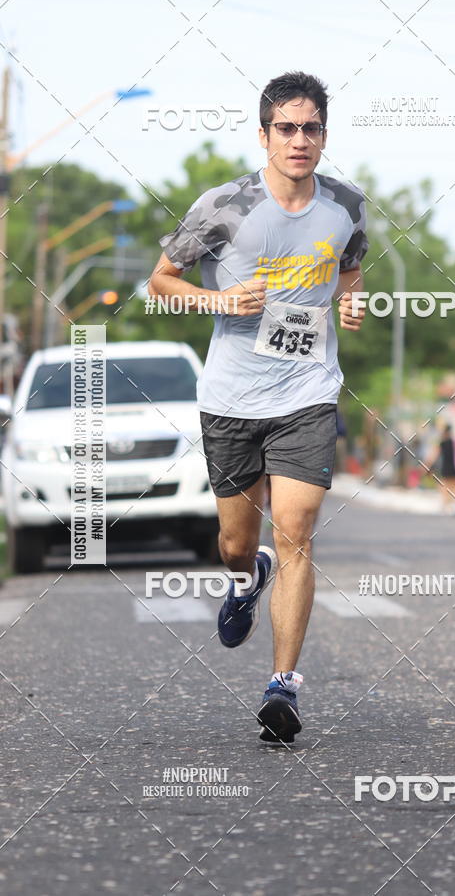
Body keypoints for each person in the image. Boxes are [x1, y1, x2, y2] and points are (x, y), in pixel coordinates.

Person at [149, 71, 368, 745]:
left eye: (311, 129)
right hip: (232, 397)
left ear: (324, 136)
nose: (299, 141)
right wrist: (218, 302)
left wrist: (352, 299)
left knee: (297, 529)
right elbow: (161, 282)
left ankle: (283, 687)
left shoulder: (346, 205)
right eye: (286, 128)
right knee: (238, 542)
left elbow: (352, 265)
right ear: (264, 134)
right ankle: (245, 580)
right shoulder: (224, 205)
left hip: (307, 390)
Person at [430, 423, 455, 513]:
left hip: (446, 468)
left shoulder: (442, 443)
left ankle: (445, 504)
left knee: (444, 486)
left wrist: (427, 465)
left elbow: (434, 455)